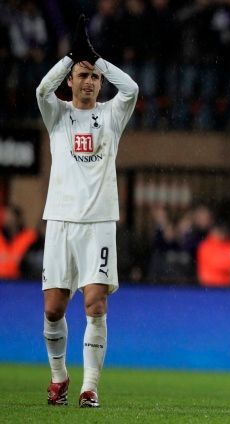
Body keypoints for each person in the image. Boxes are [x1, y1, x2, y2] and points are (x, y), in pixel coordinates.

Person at [36, 15, 138, 408]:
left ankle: (90, 387)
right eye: (83, 74)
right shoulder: (58, 115)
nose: (90, 81)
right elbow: (41, 89)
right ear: (71, 82)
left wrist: (97, 58)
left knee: (95, 304)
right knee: (53, 308)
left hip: (98, 224)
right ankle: (59, 377)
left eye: (95, 76)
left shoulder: (112, 115)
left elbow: (132, 89)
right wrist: (69, 57)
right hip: (60, 221)